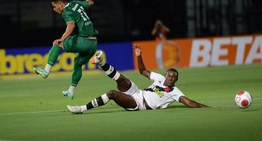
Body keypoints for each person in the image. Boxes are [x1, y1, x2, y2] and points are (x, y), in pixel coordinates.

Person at [67, 46, 208, 114]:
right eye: (169, 75)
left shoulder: (174, 91)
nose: (170, 78)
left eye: (173, 77)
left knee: (112, 93)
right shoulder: (159, 78)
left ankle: (82, 108)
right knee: (123, 80)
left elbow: (188, 102)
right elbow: (143, 71)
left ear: (176, 80)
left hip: (140, 103)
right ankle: (101, 62)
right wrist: (139, 55)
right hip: (138, 92)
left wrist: (204, 107)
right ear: (166, 75)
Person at [34, 0, 99, 99]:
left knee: (58, 44)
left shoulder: (66, 11)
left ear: (61, 5)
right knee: (78, 64)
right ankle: (71, 91)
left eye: (55, 6)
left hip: (83, 41)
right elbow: (90, 3)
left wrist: (62, 39)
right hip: (93, 43)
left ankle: (46, 70)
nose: (54, 9)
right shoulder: (76, 3)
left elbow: (71, 25)